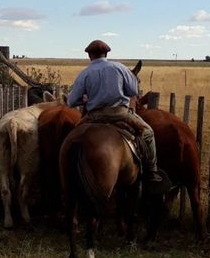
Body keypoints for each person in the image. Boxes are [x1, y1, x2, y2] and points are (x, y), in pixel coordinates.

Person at [67, 40, 164, 189]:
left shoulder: (84, 73)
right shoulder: (120, 68)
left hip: (93, 116)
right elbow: (134, 92)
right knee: (148, 133)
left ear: (89, 55)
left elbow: (71, 101)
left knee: (73, 135)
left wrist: (85, 98)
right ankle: (152, 172)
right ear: (106, 53)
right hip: (120, 113)